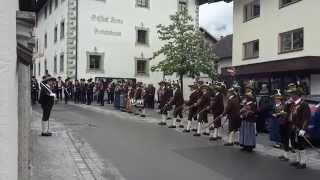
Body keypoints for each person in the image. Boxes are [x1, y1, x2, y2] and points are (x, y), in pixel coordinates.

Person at [286, 83, 311, 169]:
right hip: (292, 128)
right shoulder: (292, 104)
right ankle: (297, 160)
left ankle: (303, 162)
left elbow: (306, 118)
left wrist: (303, 129)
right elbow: (289, 115)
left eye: (292, 94)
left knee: (301, 145)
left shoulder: (304, 104)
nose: (290, 95)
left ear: (297, 95)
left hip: (299, 128)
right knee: (295, 145)